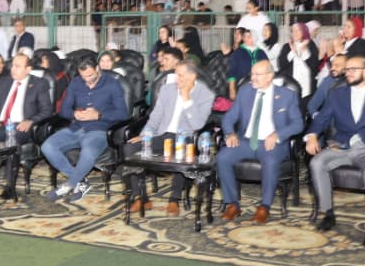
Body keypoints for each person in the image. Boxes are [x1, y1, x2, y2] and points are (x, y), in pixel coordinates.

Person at [306, 55, 365, 247]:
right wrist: (311, 135)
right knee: (317, 162)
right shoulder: (337, 94)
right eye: (347, 70)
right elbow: (321, 119)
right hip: (341, 146)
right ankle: (328, 214)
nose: (348, 73)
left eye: (353, 69)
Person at [213, 59, 302, 223]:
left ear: (269, 76)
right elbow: (229, 118)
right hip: (246, 141)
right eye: (252, 74)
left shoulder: (287, 95)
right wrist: (230, 133)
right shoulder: (245, 91)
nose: (252, 78)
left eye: (257, 74)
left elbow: (298, 124)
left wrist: (277, 135)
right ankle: (232, 203)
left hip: (271, 143)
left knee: (270, 160)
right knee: (222, 157)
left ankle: (264, 206)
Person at [124, 61, 216, 215]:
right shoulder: (167, 90)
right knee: (130, 148)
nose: (176, 79)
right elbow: (155, 118)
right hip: (162, 135)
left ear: (193, 76)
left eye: (181, 75)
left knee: (182, 153)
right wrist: (145, 135)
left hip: (186, 138)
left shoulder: (205, 95)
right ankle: (141, 198)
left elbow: (197, 124)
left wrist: (187, 99)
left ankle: (174, 199)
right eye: (176, 74)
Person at [41, 58, 128, 203]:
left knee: (88, 151)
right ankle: (80, 181)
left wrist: (99, 115)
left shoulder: (112, 84)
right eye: (83, 76)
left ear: (98, 69)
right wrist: (74, 114)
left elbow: (123, 114)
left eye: (90, 75)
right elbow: (63, 110)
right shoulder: (76, 82)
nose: (87, 80)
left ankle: (69, 184)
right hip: (76, 127)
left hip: (99, 130)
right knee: (47, 147)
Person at [0, 52, 52, 200]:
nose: (13, 69)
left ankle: (10, 186)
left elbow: (47, 110)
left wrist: (30, 121)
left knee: (11, 141)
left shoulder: (39, 84)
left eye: (17, 66)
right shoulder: (4, 81)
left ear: (28, 69)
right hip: (1, 124)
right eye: (12, 66)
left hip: (21, 126)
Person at [223, 28, 267, 99]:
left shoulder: (261, 52)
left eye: (249, 37)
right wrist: (232, 90)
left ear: (254, 38)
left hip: (260, 86)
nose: (246, 39)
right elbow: (231, 72)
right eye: (244, 37)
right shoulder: (238, 52)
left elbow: (267, 68)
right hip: (241, 85)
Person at [279, 23, 319, 99]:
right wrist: (292, 52)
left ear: (304, 31)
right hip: (291, 86)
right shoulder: (286, 47)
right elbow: (281, 65)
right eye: (293, 31)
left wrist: (304, 51)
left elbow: (315, 66)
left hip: (307, 87)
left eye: (298, 30)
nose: (295, 33)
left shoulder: (310, 45)